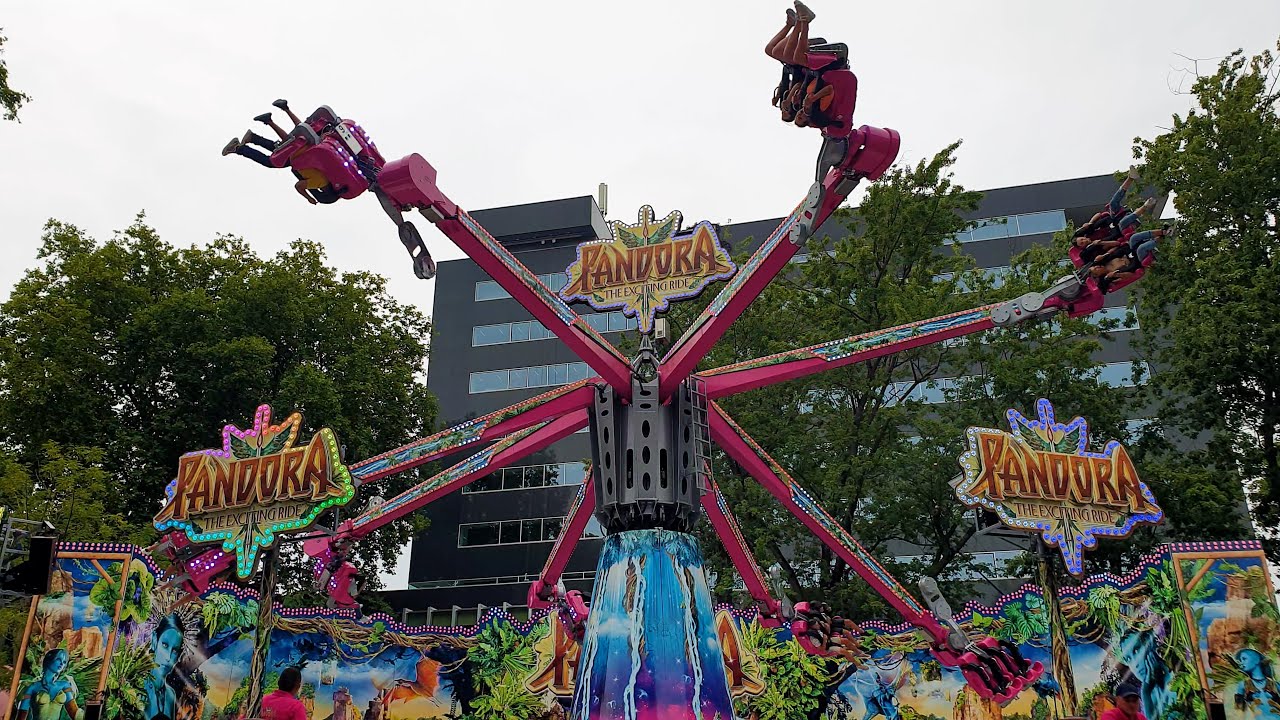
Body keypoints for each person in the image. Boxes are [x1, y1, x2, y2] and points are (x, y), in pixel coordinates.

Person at [14, 648, 79, 720]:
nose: (61, 664)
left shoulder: (65, 685)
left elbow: (75, 713)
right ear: (49, 660)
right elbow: (21, 715)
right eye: (58, 659)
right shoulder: (32, 687)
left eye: (64, 662)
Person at [145, 613, 187, 720]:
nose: (168, 657)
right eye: (165, 645)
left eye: (175, 650)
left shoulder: (170, 695)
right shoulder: (138, 686)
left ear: (179, 655)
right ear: (155, 640)